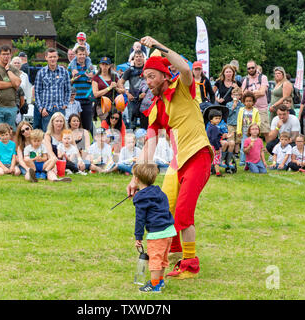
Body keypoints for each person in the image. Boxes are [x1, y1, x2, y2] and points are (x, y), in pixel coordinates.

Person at [127, 36, 212, 280]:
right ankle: (175, 253)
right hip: (178, 163)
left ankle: (190, 265)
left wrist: (159, 46)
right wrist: (135, 178)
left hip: (198, 155)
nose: (148, 82)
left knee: (184, 213)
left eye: (151, 76)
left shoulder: (183, 88)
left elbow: (185, 68)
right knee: (166, 208)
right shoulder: (156, 107)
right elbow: (149, 148)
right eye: (145, 78)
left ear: (165, 76)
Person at [133, 163, 176, 293]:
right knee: (162, 258)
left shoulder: (141, 198)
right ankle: (160, 281)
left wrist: (138, 237)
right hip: (169, 231)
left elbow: (140, 220)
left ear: (136, 179)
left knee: (155, 260)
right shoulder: (160, 192)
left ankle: (154, 285)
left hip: (157, 234)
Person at [0, 45, 22, 136]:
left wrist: (8, 70)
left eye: (8, 54)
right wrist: (12, 84)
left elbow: (18, 83)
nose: (6, 56)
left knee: (11, 132)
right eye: (3, 54)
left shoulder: (13, 69)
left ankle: (10, 150)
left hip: (11, 105)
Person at [34, 48, 71, 132]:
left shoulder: (64, 72)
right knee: (47, 134)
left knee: (61, 134)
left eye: (54, 57)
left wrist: (65, 104)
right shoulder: (41, 72)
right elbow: (37, 92)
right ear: (46, 57)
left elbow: (68, 90)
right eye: (50, 57)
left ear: (57, 57)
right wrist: (41, 108)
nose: (52, 59)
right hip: (46, 110)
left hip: (60, 108)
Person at [68, 46, 95, 133]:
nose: (82, 56)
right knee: (75, 125)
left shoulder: (90, 68)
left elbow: (95, 81)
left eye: (84, 54)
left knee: (87, 125)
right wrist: (73, 79)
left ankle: (88, 144)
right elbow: (67, 83)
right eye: (80, 54)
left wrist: (92, 78)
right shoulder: (71, 68)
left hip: (87, 99)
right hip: (75, 100)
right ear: (76, 55)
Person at [241, 60, 270, 140]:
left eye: (252, 67)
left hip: (262, 108)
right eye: (249, 68)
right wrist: (256, 93)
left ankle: (269, 150)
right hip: (250, 110)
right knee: (250, 131)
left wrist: (250, 95)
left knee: (265, 131)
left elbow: (262, 92)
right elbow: (243, 95)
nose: (250, 69)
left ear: (256, 67)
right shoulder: (245, 80)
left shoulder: (263, 77)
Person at [118, 50, 146, 129]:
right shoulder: (129, 70)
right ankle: (131, 141)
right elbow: (120, 83)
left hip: (145, 100)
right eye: (136, 57)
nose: (138, 58)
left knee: (144, 125)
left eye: (140, 56)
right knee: (132, 125)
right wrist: (127, 93)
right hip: (132, 100)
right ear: (134, 58)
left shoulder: (147, 69)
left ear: (143, 58)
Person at [92, 57, 124, 121]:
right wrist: (109, 88)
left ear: (109, 66)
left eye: (106, 64)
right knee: (106, 124)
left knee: (116, 125)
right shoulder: (96, 78)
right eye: (103, 64)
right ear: (100, 65)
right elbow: (95, 94)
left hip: (114, 106)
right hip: (102, 106)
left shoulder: (114, 76)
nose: (104, 66)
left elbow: (123, 90)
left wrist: (116, 88)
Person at [237, 91, 260, 166]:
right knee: (243, 146)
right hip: (244, 131)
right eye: (246, 101)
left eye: (250, 101)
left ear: (253, 102)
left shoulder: (255, 111)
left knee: (253, 147)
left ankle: (252, 160)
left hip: (252, 132)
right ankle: (242, 160)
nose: (248, 103)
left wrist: (256, 129)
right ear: (243, 102)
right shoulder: (241, 110)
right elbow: (239, 121)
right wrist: (238, 131)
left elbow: (258, 121)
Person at [226, 87, 244, 161]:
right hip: (230, 123)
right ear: (231, 96)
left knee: (238, 140)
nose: (235, 97)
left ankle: (236, 153)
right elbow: (228, 114)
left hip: (238, 124)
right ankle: (230, 153)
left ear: (240, 96)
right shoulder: (229, 104)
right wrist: (233, 107)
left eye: (237, 95)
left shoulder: (242, 105)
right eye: (234, 95)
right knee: (231, 139)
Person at [206, 109, 225, 177]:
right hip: (214, 146)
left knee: (211, 160)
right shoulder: (214, 128)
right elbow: (214, 139)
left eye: (219, 118)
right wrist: (217, 148)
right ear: (211, 119)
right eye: (216, 118)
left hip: (211, 145)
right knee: (216, 160)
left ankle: (209, 172)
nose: (218, 120)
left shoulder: (210, 127)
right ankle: (218, 173)